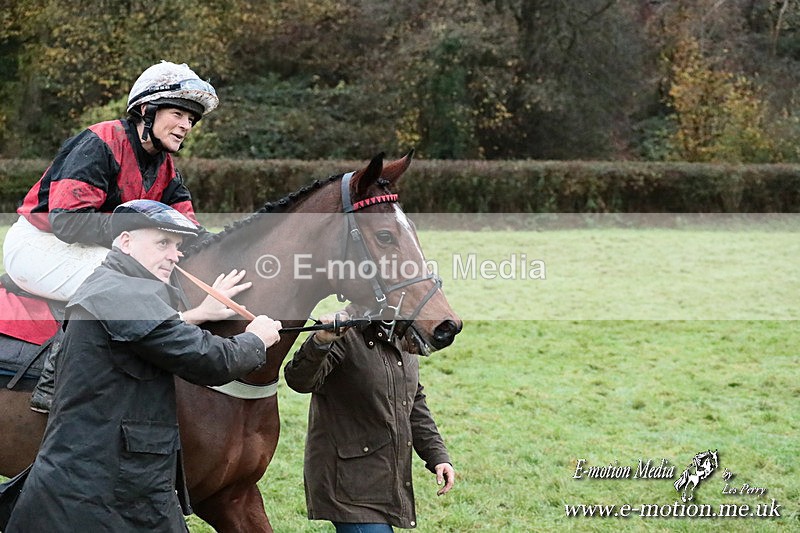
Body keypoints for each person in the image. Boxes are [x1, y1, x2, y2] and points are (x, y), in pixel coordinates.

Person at [4, 200, 282, 532]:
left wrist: (197, 315)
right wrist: (255, 339)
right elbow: (207, 360)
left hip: (123, 481)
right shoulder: (121, 293)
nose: (175, 255)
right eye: (163, 243)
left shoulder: (125, 288)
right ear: (125, 242)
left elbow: (158, 332)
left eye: (178, 246)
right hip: (95, 488)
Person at [3, 60, 217, 302]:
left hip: (95, 249)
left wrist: (236, 242)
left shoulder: (166, 169)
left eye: (191, 119)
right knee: (136, 287)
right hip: (40, 244)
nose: (185, 125)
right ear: (147, 110)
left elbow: (189, 231)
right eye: (178, 114)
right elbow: (67, 222)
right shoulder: (100, 143)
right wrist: (136, 225)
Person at [283, 307, 455, 532]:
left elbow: (413, 401)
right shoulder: (342, 333)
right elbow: (299, 380)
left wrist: (437, 456)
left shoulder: (403, 332)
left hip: (384, 480)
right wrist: (320, 341)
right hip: (347, 485)